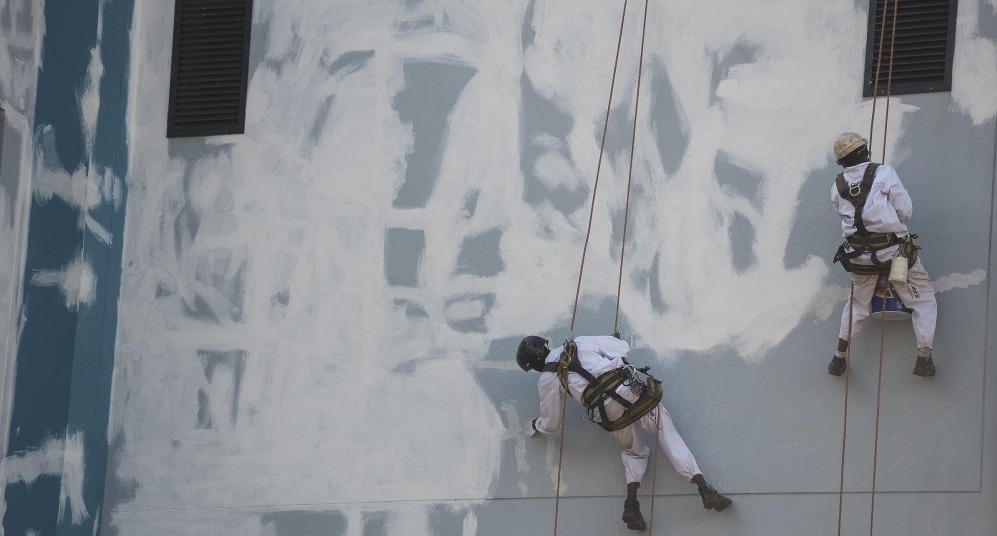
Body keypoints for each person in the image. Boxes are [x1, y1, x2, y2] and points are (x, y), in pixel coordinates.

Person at [516, 335, 731, 531]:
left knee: (635, 451)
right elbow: (622, 348)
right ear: (544, 345)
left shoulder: (547, 379)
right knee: (667, 434)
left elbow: (552, 423)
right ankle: (705, 489)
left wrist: (537, 425)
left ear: (533, 365)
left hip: (607, 412)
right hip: (630, 391)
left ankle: (632, 505)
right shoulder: (578, 343)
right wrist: (611, 344)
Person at [828, 132, 938, 378]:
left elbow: (843, 216)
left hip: (858, 256)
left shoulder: (837, 185)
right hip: (893, 253)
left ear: (843, 161)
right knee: (923, 299)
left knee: (856, 303)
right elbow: (904, 210)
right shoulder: (884, 172)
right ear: (864, 152)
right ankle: (924, 355)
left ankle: (839, 356)